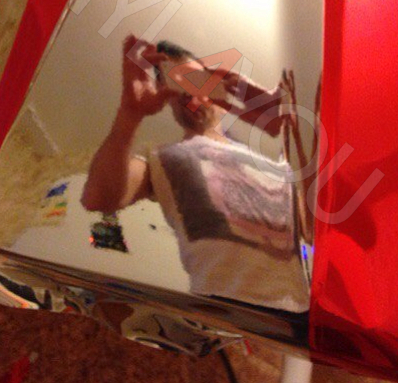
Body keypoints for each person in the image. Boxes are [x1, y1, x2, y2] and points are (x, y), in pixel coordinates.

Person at [81, 36, 310, 313]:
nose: (190, 95)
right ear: (167, 98)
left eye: (196, 81)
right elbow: (99, 197)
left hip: (299, 315)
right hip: (220, 314)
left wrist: (297, 131)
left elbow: (314, 230)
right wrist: (129, 114)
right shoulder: (163, 157)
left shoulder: (276, 167)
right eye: (177, 87)